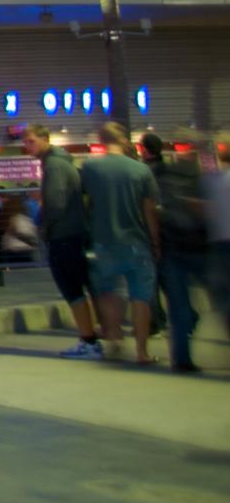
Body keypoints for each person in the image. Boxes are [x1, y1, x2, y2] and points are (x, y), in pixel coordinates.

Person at [79, 123, 160, 364]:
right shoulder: (140, 170)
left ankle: (114, 339)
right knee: (140, 297)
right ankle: (142, 352)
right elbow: (149, 209)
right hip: (136, 241)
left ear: (101, 140)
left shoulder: (90, 167)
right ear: (124, 139)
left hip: (103, 241)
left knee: (107, 293)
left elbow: (85, 201)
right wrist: (155, 242)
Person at [18, 123, 102, 357]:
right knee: (81, 287)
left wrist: (43, 225)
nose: (27, 146)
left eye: (31, 141)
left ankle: (88, 340)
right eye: (25, 142)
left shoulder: (54, 166)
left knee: (71, 288)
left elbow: (55, 203)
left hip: (63, 235)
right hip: (74, 232)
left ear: (45, 139)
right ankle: (95, 336)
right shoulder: (62, 162)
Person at [140, 132, 207, 373]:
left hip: (170, 245)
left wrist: (156, 242)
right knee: (214, 298)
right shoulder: (199, 177)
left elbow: (152, 210)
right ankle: (187, 326)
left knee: (175, 302)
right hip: (198, 245)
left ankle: (181, 358)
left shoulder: (155, 175)